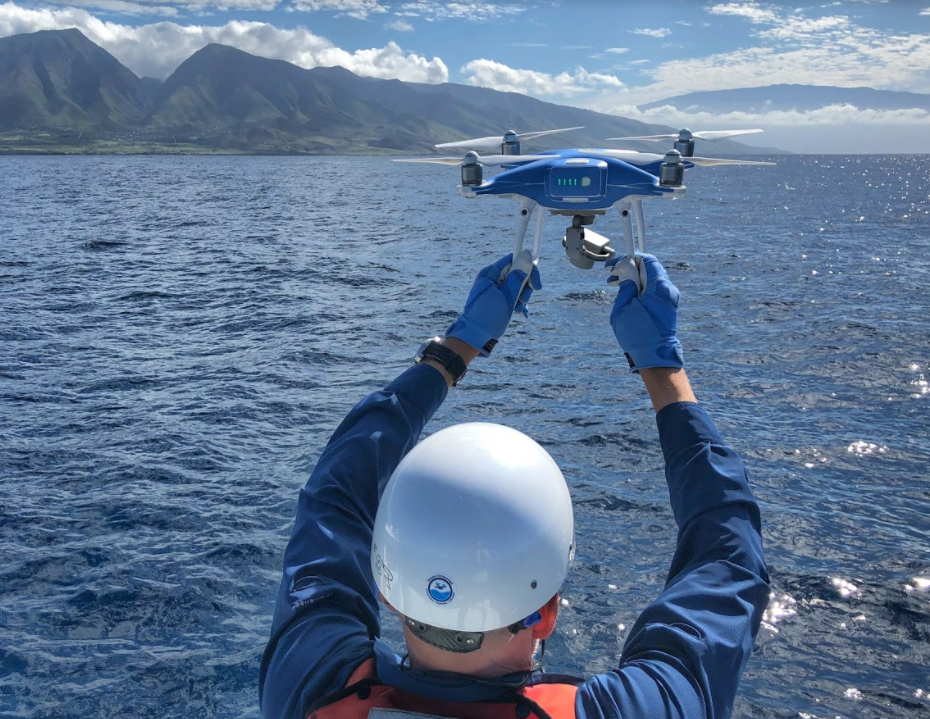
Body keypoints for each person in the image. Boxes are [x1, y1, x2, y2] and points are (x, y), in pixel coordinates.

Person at [259, 253, 771, 719]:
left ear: (387, 593)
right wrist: (662, 367)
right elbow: (726, 559)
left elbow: (335, 492)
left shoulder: (309, 685)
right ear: (545, 615)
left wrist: (455, 348)